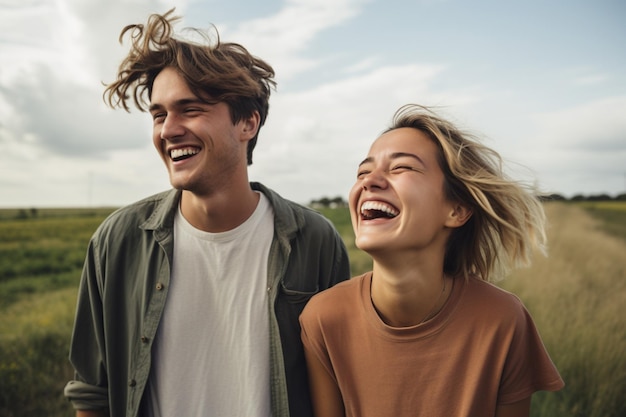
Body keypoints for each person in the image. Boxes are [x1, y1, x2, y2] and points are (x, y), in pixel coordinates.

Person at [63, 9, 350, 417]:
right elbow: (92, 394)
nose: (167, 129)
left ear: (247, 123)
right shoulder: (118, 240)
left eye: (190, 109)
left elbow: (337, 385)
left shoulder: (315, 240)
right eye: (159, 114)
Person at [299, 104, 565, 417]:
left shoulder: (502, 320)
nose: (370, 181)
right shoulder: (323, 319)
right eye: (363, 172)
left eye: (401, 168)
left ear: (456, 210)